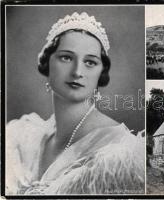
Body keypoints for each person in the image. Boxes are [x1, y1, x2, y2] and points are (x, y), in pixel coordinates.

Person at [6, 12, 145, 195]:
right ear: (47, 63)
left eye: (90, 62)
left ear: (100, 73)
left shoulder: (117, 152)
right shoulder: (23, 136)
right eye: (66, 57)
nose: (78, 71)